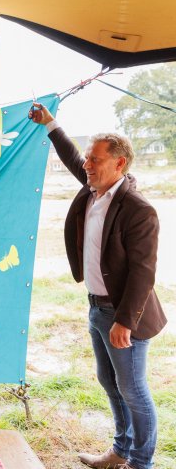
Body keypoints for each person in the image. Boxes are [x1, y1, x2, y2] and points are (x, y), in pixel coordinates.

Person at [30, 104, 166, 469]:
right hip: (96, 307)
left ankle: (141, 463)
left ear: (120, 164)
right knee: (109, 381)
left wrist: (125, 321)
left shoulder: (138, 209)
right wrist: (50, 123)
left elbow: (143, 272)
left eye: (96, 160)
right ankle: (120, 452)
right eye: (88, 159)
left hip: (124, 315)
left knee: (134, 391)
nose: (87, 165)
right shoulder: (94, 186)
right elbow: (72, 156)